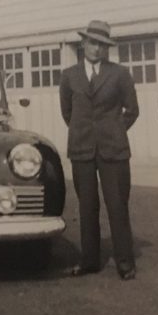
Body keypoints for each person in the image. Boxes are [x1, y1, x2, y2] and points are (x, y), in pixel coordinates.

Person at [59, 19, 139, 280]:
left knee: (117, 205)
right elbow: (67, 113)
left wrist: (114, 129)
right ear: (83, 43)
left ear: (107, 48)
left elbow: (132, 110)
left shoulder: (119, 74)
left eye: (102, 44)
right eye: (92, 42)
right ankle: (90, 261)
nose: (96, 48)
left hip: (113, 150)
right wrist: (87, 132)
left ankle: (125, 264)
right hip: (82, 148)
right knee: (87, 206)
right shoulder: (69, 76)